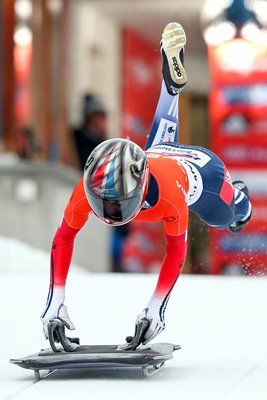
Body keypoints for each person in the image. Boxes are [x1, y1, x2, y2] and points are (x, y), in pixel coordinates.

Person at [41, 22, 252, 351]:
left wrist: (156, 308)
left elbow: (175, 253)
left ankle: (239, 195)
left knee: (232, 218)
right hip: (156, 154)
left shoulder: (169, 200)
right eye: (104, 203)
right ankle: (170, 87)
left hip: (202, 174)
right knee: (157, 147)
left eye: (117, 204)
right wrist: (55, 304)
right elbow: (63, 238)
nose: (110, 212)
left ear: (137, 190)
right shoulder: (87, 189)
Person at [73, 94, 107, 170]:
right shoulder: (78, 137)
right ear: (91, 118)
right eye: (100, 117)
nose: (103, 121)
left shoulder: (102, 141)